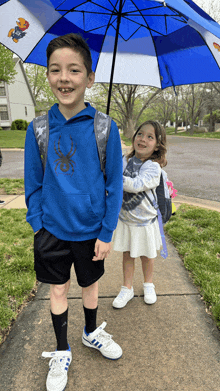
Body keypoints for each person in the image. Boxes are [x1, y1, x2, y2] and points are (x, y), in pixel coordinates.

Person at [24, 33, 123, 391]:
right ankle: (61, 349)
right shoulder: (38, 128)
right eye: (55, 70)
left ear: (89, 78)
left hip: (91, 230)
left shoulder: (105, 128)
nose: (64, 78)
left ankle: (91, 331)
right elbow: (32, 183)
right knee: (58, 291)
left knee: (91, 285)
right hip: (51, 230)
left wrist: (106, 232)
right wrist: (38, 224)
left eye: (74, 70)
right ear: (48, 75)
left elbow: (114, 186)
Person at [112, 120, 167, 309]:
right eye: (140, 134)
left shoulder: (153, 167)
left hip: (145, 221)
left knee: (147, 255)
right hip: (126, 220)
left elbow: (135, 185)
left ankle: (148, 284)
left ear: (158, 145)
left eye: (150, 137)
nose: (143, 139)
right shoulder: (124, 160)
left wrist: (112, 176)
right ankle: (127, 288)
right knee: (127, 255)